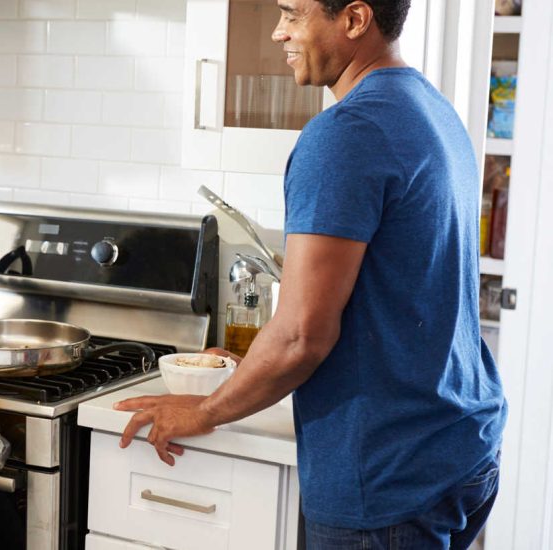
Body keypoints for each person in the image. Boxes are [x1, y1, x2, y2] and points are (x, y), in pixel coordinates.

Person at [111, 0, 506, 548]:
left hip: (386, 471)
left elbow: (301, 336)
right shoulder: (429, 107)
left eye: (293, 14)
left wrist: (205, 411)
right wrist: (254, 365)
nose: (277, 32)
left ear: (355, 19)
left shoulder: (345, 132)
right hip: (459, 443)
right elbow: (397, 289)